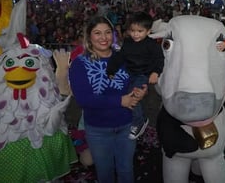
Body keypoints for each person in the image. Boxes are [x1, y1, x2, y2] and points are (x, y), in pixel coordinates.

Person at [69, 16, 148, 183]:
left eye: (107, 32)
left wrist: (141, 91)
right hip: (98, 130)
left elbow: (136, 80)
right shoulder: (80, 63)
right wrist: (119, 101)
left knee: (127, 171)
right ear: (89, 36)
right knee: (105, 174)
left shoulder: (125, 58)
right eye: (97, 33)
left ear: (113, 34)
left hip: (127, 126)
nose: (103, 38)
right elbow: (83, 99)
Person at [106, 11, 164, 140]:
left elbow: (160, 59)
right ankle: (132, 119)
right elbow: (119, 57)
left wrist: (155, 72)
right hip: (129, 74)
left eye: (140, 31)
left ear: (148, 31)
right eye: (132, 30)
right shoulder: (128, 43)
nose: (135, 34)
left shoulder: (152, 45)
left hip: (143, 75)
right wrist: (111, 70)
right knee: (126, 95)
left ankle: (139, 121)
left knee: (133, 96)